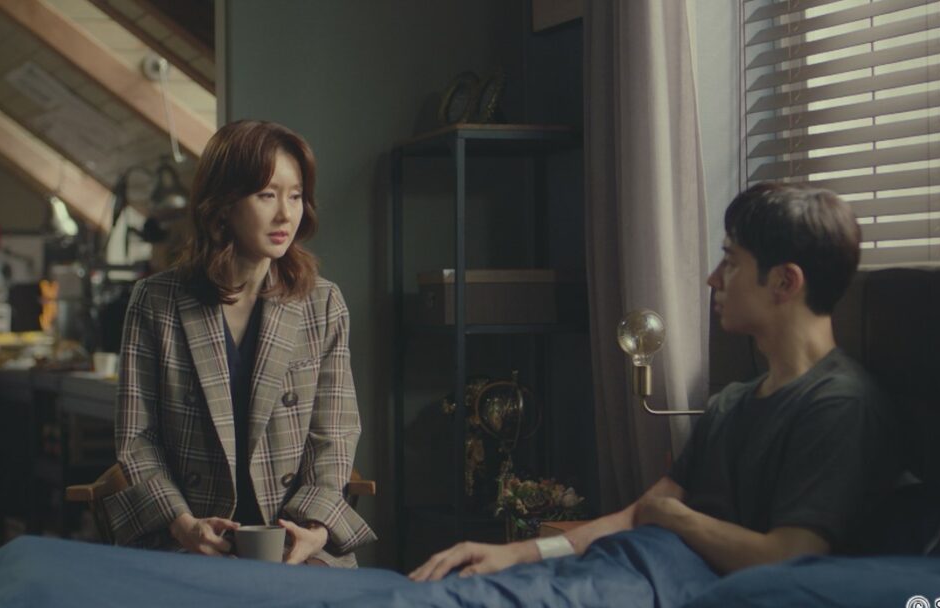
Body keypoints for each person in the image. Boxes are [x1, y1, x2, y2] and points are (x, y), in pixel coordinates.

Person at [411, 182, 892, 581]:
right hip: (628, 566)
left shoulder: (838, 406)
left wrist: (678, 519)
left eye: (730, 262)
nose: (712, 279)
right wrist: (518, 554)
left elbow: (788, 556)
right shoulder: (731, 404)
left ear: (785, 282)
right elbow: (637, 514)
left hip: (674, 589)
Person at [103, 120, 376, 568]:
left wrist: (315, 529)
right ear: (223, 206)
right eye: (267, 195)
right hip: (185, 539)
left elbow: (334, 435)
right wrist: (181, 523)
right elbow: (138, 438)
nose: (286, 215)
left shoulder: (322, 303)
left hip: (293, 540)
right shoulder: (155, 301)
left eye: (295, 195)